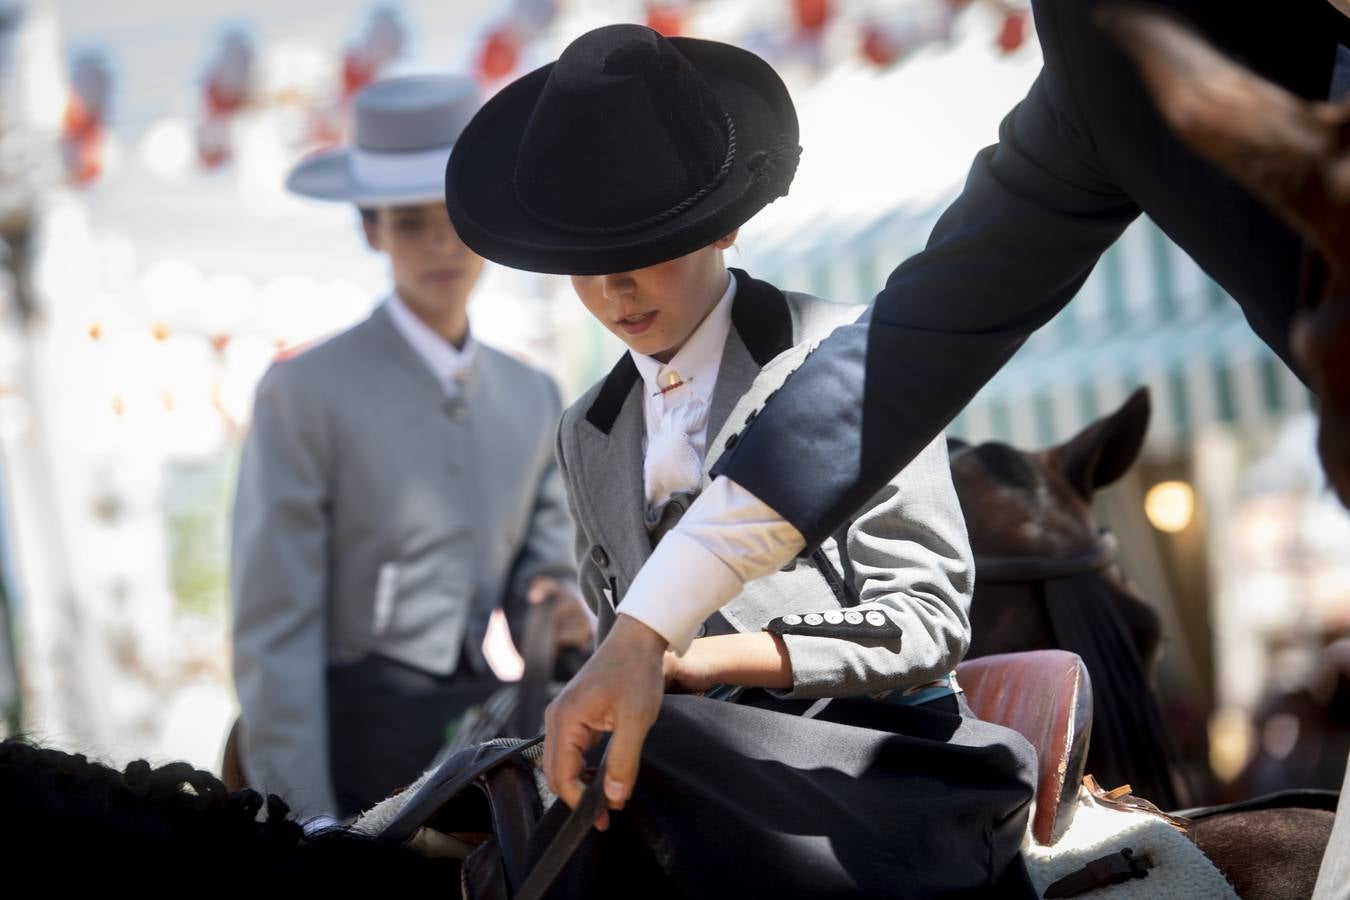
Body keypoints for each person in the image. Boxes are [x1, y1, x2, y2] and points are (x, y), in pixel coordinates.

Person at [445, 24, 1038, 896]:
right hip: (682, 777)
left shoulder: (849, 355)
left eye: (644, 247)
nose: (616, 291)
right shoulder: (586, 430)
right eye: (587, 263)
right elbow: (613, 642)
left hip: (877, 767)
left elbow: (926, 618)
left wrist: (696, 664)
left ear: (721, 227)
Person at [231, 74, 589, 822]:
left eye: (455, 217)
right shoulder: (303, 391)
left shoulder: (531, 393)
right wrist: (305, 817)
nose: (438, 245)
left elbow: (547, 570)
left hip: (487, 737)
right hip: (345, 744)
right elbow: (276, 627)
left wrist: (558, 608)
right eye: (408, 222)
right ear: (371, 229)